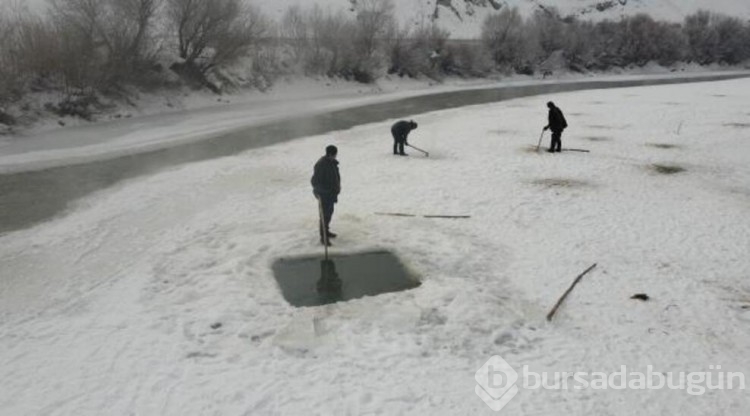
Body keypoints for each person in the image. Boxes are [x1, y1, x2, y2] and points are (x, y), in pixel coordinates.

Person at [311, 145, 341, 245]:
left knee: (329, 214)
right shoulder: (321, 165)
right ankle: (323, 237)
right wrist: (320, 192)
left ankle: (326, 232)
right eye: (335, 154)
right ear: (330, 154)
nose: (336, 156)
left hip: (331, 194)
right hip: (324, 195)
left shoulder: (331, 162)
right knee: (324, 216)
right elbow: (315, 181)